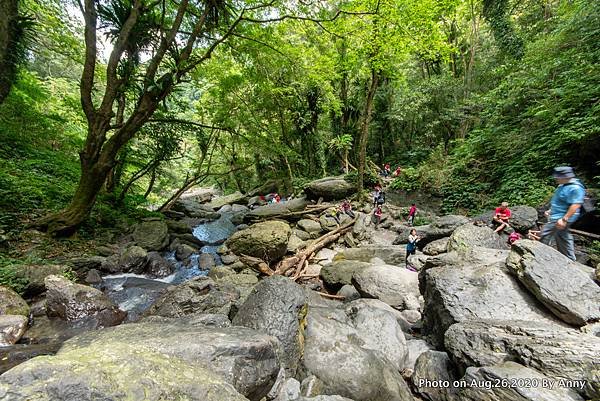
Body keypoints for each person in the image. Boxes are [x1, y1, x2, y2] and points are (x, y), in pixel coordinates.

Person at [540, 166, 585, 260]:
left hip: (562, 217)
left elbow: (576, 204)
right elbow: (559, 201)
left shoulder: (575, 188)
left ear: (565, 177)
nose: (555, 178)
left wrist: (564, 219)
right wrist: (551, 210)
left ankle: (540, 256)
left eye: (557, 177)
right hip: (558, 215)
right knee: (562, 236)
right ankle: (569, 259)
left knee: (545, 233)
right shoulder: (562, 185)